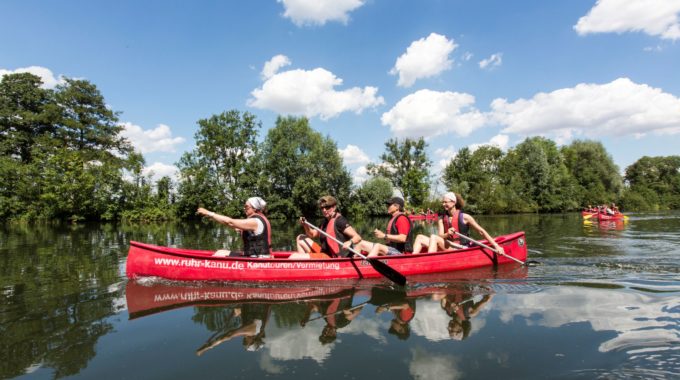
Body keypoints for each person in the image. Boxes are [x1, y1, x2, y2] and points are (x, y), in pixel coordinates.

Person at [411, 192, 504, 254]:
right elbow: (440, 236)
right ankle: (412, 260)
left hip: (461, 247)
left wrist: (496, 246)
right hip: (448, 245)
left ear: (453, 202)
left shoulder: (465, 217)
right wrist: (447, 234)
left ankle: (428, 262)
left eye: (445, 202)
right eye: (442, 202)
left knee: (433, 237)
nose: (443, 204)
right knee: (419, 237)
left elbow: (481, 231)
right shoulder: (441, 219)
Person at [197, 196, 272, 257]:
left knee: (219, 254)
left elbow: (230, 222)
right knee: (220, 252)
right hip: (255, 256)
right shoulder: (258, 219)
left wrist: (208, 213)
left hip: (257, 259)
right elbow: (232, 224)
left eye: (246, 207)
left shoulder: (255, 221)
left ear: (254, 208)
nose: (244, 209)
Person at [291, 195, 362, 259]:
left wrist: (350, 242)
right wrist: (305, 225)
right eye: (322, 208)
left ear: (334, 207)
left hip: (332, 257)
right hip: (324, 253)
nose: (324, 210)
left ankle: (301, 263)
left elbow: (358, 237)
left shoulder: (340, 221)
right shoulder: (324, 222)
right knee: (300, 237)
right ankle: (304, 265)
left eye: (327, 207)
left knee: (294, 257)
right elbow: (312, 234)